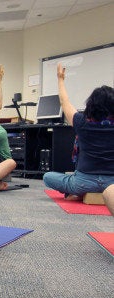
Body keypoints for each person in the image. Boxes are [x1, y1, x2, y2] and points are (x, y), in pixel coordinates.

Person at [42, 64, 114, 200]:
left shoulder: (81, 122)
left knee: (48, 176)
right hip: (112, 184)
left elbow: (65, 102)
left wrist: (60, 79)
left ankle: (78, 193)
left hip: (83, 184)